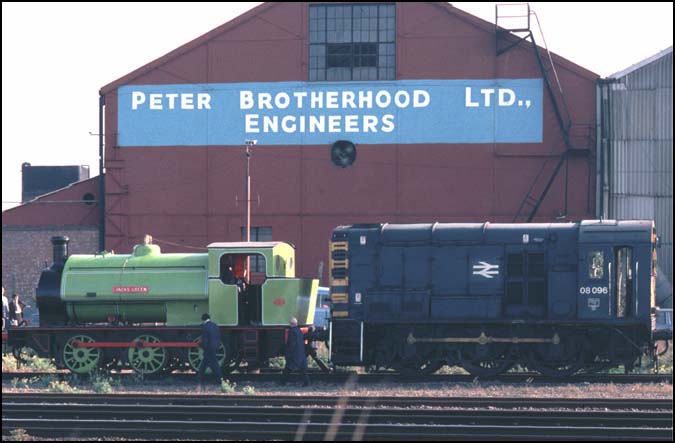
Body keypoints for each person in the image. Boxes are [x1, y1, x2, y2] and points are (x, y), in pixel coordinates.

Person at [281, 317, 310, 387]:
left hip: (295, 354)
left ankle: (282, 382)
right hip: (301, 353)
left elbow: (291, 344)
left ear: (291, 324)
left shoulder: (292, 332)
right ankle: (306, 382)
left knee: (288, 368)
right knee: (302, 370)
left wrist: (288, 353)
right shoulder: (299, 331)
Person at [197, 313, 223, 386]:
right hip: (215, 347)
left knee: (214, 365)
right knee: (204, 364)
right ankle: (199, 378)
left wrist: (202, 346)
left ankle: (220, 379)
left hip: (209, 348)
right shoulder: (215, 325)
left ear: (203, 319)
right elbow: (218, 336)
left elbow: (205, 339)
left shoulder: (205, 327)